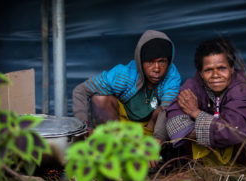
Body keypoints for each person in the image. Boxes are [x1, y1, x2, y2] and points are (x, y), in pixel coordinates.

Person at [72, 30, 181, 168]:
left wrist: (155, 143)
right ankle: (115, 150)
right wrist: (84, 127)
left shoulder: (171, 76)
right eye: (150, 62)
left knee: (168, 109)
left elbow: (167, 109)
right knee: (99, 98)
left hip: (151, 128)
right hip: (122, 128)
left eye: (162, 61)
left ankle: (154, 159)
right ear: (140, 61)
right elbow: (80, 91)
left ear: (169, 61)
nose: (157, 69)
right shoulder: (123, 75)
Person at [166, 38, 246, 165]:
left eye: (222, 68)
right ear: (201, 73)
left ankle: (238, 176)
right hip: (206, 160)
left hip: (241, 161)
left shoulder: (240, 89)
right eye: (208, 70)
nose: (215, 75)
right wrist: (215, 132)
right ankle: (201, 173)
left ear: (232, 69)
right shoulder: (193, 85)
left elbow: (234, 131)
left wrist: (196, 113)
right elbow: (174, 123)